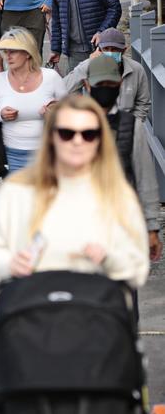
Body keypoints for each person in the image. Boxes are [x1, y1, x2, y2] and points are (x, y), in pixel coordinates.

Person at [0, 94, 150, 289]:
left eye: (88, 134)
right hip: (34, 307)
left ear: (100, 141)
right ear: (51, 137)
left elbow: (138, 268)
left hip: (95, 309)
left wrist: (108, 259)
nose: (77, 141)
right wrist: (9, 264)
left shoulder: (118, 194)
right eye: (67, 133)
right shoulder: (17, 190)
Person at [82, 55, 162, 262]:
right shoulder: (72, 123)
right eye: (100, 84)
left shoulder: (132, 125)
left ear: (119, 84)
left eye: (110, 83)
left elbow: (145, 177)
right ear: (88, 85)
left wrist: (151, 227)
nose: (105, 88)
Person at [0, 27, 67, 172]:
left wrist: (53, 114)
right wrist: (0, 115)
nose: (8, 56)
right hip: (11, 158)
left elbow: (71, 113)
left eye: (13, 51)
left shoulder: (51, 77)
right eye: (5, 51)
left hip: (48, 156)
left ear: (27, 53)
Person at [64, 27, 151, 120]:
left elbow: (143, 103)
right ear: (99, 50)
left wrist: (132, 125)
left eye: (114, 49)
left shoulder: (136, 69)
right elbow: (65, 88)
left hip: (125, 124)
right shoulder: (89, 66)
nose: (110, 52)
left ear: (123, 50)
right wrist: (89, 63)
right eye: (106, 49)